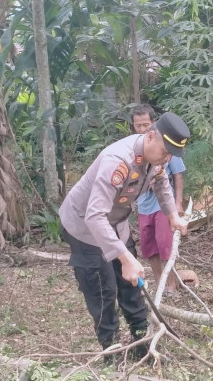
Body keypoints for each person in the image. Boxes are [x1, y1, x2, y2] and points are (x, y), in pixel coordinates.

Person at [59, 112, 190, 359]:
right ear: (150, 136)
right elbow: (94, 216)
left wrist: (172, 214)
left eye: (172, 154)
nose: (167, 158)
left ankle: (142, 343)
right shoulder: (117, 161)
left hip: (116, 222)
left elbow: (161, 182)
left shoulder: (156, 158)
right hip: (84, 226)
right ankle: (112, 351)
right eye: (165, 151)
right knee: (103, 288)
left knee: (131, 283)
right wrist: (125, 258)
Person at [131, 105, 186, 293]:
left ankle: (171, 285)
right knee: (149, 248)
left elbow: (176, 175)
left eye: (146, 124)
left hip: (163, 206)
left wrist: (177, 204)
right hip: (143, 206)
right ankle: (159, 283)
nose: (142, 129)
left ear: (153, 124)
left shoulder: (166, 145)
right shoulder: (132, 149)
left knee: (165, 246)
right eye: (138, 125)